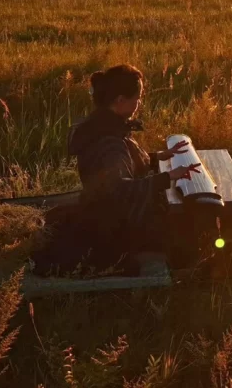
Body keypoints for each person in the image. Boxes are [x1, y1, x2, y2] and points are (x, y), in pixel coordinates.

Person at [34, 64, 200, 276]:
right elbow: (119, 190)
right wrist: (168, 177)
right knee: (180, 232)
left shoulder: (103, 124)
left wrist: (159, 157)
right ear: (120, 100)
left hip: (103, 211)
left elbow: (123, 163)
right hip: (114, 223)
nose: (139, 103)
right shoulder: (110, 140)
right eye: (137, 98)